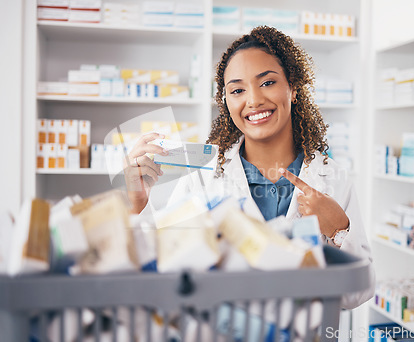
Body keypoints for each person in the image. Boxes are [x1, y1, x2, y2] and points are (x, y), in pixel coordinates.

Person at [125, 26, 375, 309]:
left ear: (293, 88)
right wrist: (138, 202)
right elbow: (162, 273)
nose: (253, 100)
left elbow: (358, 294)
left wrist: (340, 230)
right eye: (237, 90)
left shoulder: (332, 178)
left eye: (267, 83)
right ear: (227, 101)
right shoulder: (203, 176)